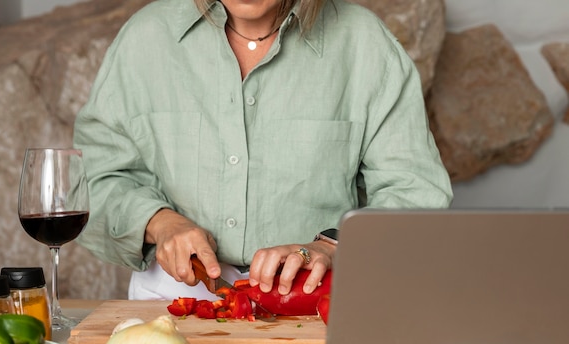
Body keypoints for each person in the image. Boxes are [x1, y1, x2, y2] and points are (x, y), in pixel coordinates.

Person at [73, 0, 453, 301]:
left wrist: (330, 246)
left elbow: (415, 193)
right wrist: (161, 222)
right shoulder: (145, 39)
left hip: (318, 301)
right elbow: (95, 177)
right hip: (171, 299)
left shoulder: (365, 43)